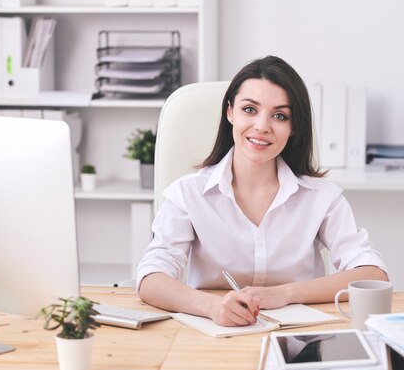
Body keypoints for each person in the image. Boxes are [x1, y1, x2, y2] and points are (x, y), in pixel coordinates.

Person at [136, 55, 388, 327]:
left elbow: (373, 275)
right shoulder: (188, 194)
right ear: (230, 112)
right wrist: (212, 306)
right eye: (249, 110)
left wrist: (285, 293)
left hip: (297, 341)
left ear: (293, 128)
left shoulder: (322, 197)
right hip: (212, 338)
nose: (262, 126)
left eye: (279, 115)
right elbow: (151, 279)